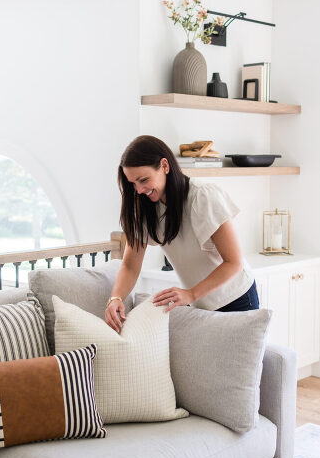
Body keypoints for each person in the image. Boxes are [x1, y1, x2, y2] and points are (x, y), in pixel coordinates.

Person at [105, 135, 259, 332]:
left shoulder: (203, 196)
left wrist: (191, 294)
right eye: (133, 183)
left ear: (164, 166)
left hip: (236, 298)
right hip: (201, 305)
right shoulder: (145, 209)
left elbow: (234, 262)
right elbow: (130, 265)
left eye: (143, 180)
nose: (139, 189)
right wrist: (115, 298)